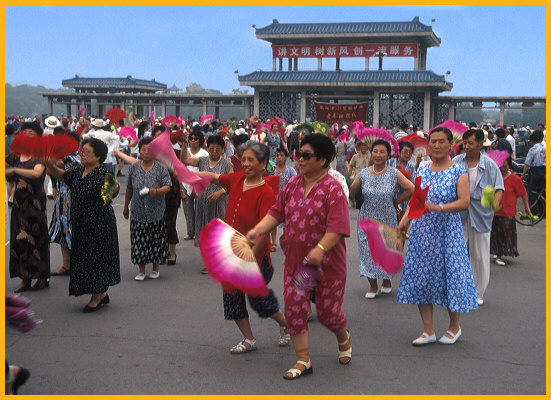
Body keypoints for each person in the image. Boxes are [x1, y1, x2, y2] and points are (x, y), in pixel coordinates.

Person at [246, 133, 352, 380]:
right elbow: (276, 212)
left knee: (328, 314)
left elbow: (337, 228)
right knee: (295, 308)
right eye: (298, 154)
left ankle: (343, 337)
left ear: (323, 160)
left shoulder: (333, 190)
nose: (300, 159)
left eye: (306, 155)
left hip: (327, 265)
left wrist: (320, 250)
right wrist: (259, 230)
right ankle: (303, 359)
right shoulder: (292, 185)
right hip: (301, 267)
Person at [193, 141, 290, 353]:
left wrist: (249, 259)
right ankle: (249, 339)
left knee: (261, 302)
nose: (245, 164)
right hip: (231, 253)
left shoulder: (266, 193)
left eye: (250, 160)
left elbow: (263, 233)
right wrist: (190, 173)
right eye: (243, 159)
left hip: (255, 257)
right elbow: (214, 177)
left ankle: (285, 325)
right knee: (232, 298)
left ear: (263, 164)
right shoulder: (237, 179)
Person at [397, 126, 477, 345]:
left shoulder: (458, 171)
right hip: (422, 232)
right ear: (428, 144)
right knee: (422, 278)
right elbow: (417, 198)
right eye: (433, 141)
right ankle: (428, 330)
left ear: (451, 145)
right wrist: (405, 218)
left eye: (442, 141)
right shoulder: (421, 168)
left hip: (448, 233)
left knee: (450, 277)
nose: (437, 145)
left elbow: (464, 201)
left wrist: (439, 207)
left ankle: (454, 327)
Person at [45, 138, 121, 312]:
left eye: (87, 152)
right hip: (81, 225)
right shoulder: (78, 171)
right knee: (84, 260)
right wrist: (48, 163)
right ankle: (100, 293)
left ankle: (97, 296)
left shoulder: (105, 174)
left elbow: (109, 195)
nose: (83, 154)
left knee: (97, 260)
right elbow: (62, 175)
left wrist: (113, 189)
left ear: (98, 156)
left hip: (100, 225)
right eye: (82, 151)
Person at [349, 139, 414, 298]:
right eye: (375, 151)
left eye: (382, 152)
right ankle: (372, 286)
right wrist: (348, 184)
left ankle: (386, 280)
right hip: (367, 218)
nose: (378, 155)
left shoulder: (394, 173)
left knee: (386, 250)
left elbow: (411, 189)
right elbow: (351, 190)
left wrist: (397, 201)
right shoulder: (363, 173)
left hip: (388, 218)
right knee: (367, 251)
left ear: (388, 155)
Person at [453, 129, 504, 306]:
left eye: (470, 143)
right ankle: (457, 287)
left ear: (481, 144)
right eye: (464, 143)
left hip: (481, 215)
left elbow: (499, 188)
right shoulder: (456, 162)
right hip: (459, 214)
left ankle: (478, 291)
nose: (466, 146)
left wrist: (495, 203)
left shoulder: (490, 165)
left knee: (480, 256)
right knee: (456, 252)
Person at [5, 121, 50, 292]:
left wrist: (16, 171)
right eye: (24, 132)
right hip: (19, 204)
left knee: (37, 239)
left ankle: (42, 276)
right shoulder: (16, 154)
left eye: (31, 132)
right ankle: (24, 278)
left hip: (35, 203)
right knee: (20, 241)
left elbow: (37, 173)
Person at [180, 134, 233, 272]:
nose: (214, 151)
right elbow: (184, 159)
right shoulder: (202, 160)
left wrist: (219, 192)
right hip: (203, 203)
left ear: (222, 150)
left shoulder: (227, 164)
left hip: (219, 203)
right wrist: (185, 143)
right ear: (207, 148)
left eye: (217, 149)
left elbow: (231, 185)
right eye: (211, 148)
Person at [123, 136, 171, 280]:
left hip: (155, 211)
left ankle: (155, 268)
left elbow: (167, 186)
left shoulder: (161, 168)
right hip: (138, 211)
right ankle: (141, 270)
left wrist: (156, 191)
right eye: (143, 149)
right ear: (140, 151)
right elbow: (129, 188)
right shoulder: (133, 168)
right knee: (139, 240)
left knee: (155, 240)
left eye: (150, 149)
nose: (146, 152)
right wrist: (126, 206)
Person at [49, 131, 81, 276]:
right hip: (62, 201)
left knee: (74, 233)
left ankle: (78, 265)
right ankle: (66, 264)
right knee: (62, 232)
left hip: (74, 202)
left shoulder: (75, 159)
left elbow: (56, 163)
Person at [490, 156, 531, 266]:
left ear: (509, 166)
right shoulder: (493, 178)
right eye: (500, 167)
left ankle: (499, 255)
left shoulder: (515, 179)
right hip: (494, 212)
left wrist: (527, 207)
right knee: (494, 233)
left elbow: (523, 193)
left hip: (508, 212)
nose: (502, 169)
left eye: (505, 166)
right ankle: (496, 253)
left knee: (505, 234)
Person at [181, 128, 208, 241]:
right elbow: (181, 165)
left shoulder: (204, 153)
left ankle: (199, 232)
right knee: (188, 208)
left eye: (195, 139)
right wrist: (183, 142)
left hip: (199, 184)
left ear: (200, 140)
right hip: (186, 184)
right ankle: (190, 232)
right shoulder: (185, 151)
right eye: (191, 138)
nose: (192, 140)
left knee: (199, 210)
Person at [270, 147, 297, 251]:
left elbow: (295, 184)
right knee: (273, 222)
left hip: (287, 200)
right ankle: (273, 243)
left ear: (285, 157)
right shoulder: (272, 169)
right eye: (277, 155)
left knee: (287, 222)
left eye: (281, 155)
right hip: (274, 199)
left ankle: (287, 240)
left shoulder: (291, 170)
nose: (279, 158)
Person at [521, 130, 546, 216]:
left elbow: (527, 164)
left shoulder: (533, 149)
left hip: (535, 173)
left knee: (531, 193)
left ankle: (534, 212)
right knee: (543, 192)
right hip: (545, 172)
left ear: (532, 141)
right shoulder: (546, 147)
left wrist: (523, 175)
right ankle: (544, 212)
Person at [387, 141, 416, 213]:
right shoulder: (388, 163)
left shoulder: (411, 168)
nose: (408, 154)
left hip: (404, 205)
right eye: (406, 152)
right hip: (388, 202)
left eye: (410, 153)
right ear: (399, 152)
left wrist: (408, 178)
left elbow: (414, 186)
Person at [348, 141, 371, 209]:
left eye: (365, 145)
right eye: (362, 145)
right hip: (358, 177)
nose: (364, 147)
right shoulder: (355, 156)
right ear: (360, 147)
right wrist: (348, 176)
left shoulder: (370, 156)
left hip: (367, 177)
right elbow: (351, 166)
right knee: (358, 194)